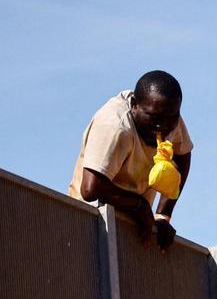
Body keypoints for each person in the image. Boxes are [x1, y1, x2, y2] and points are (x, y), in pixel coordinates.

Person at [68, 70, 192, 251]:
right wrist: (139, 206)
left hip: (133, 228)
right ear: (134, 105)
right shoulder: (115, 126)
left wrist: (162, 216)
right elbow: (90, 188)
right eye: (154, 118)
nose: (162, 128)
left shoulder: (168, 117)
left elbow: (183, 155)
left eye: (171, 119)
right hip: (86, 224)